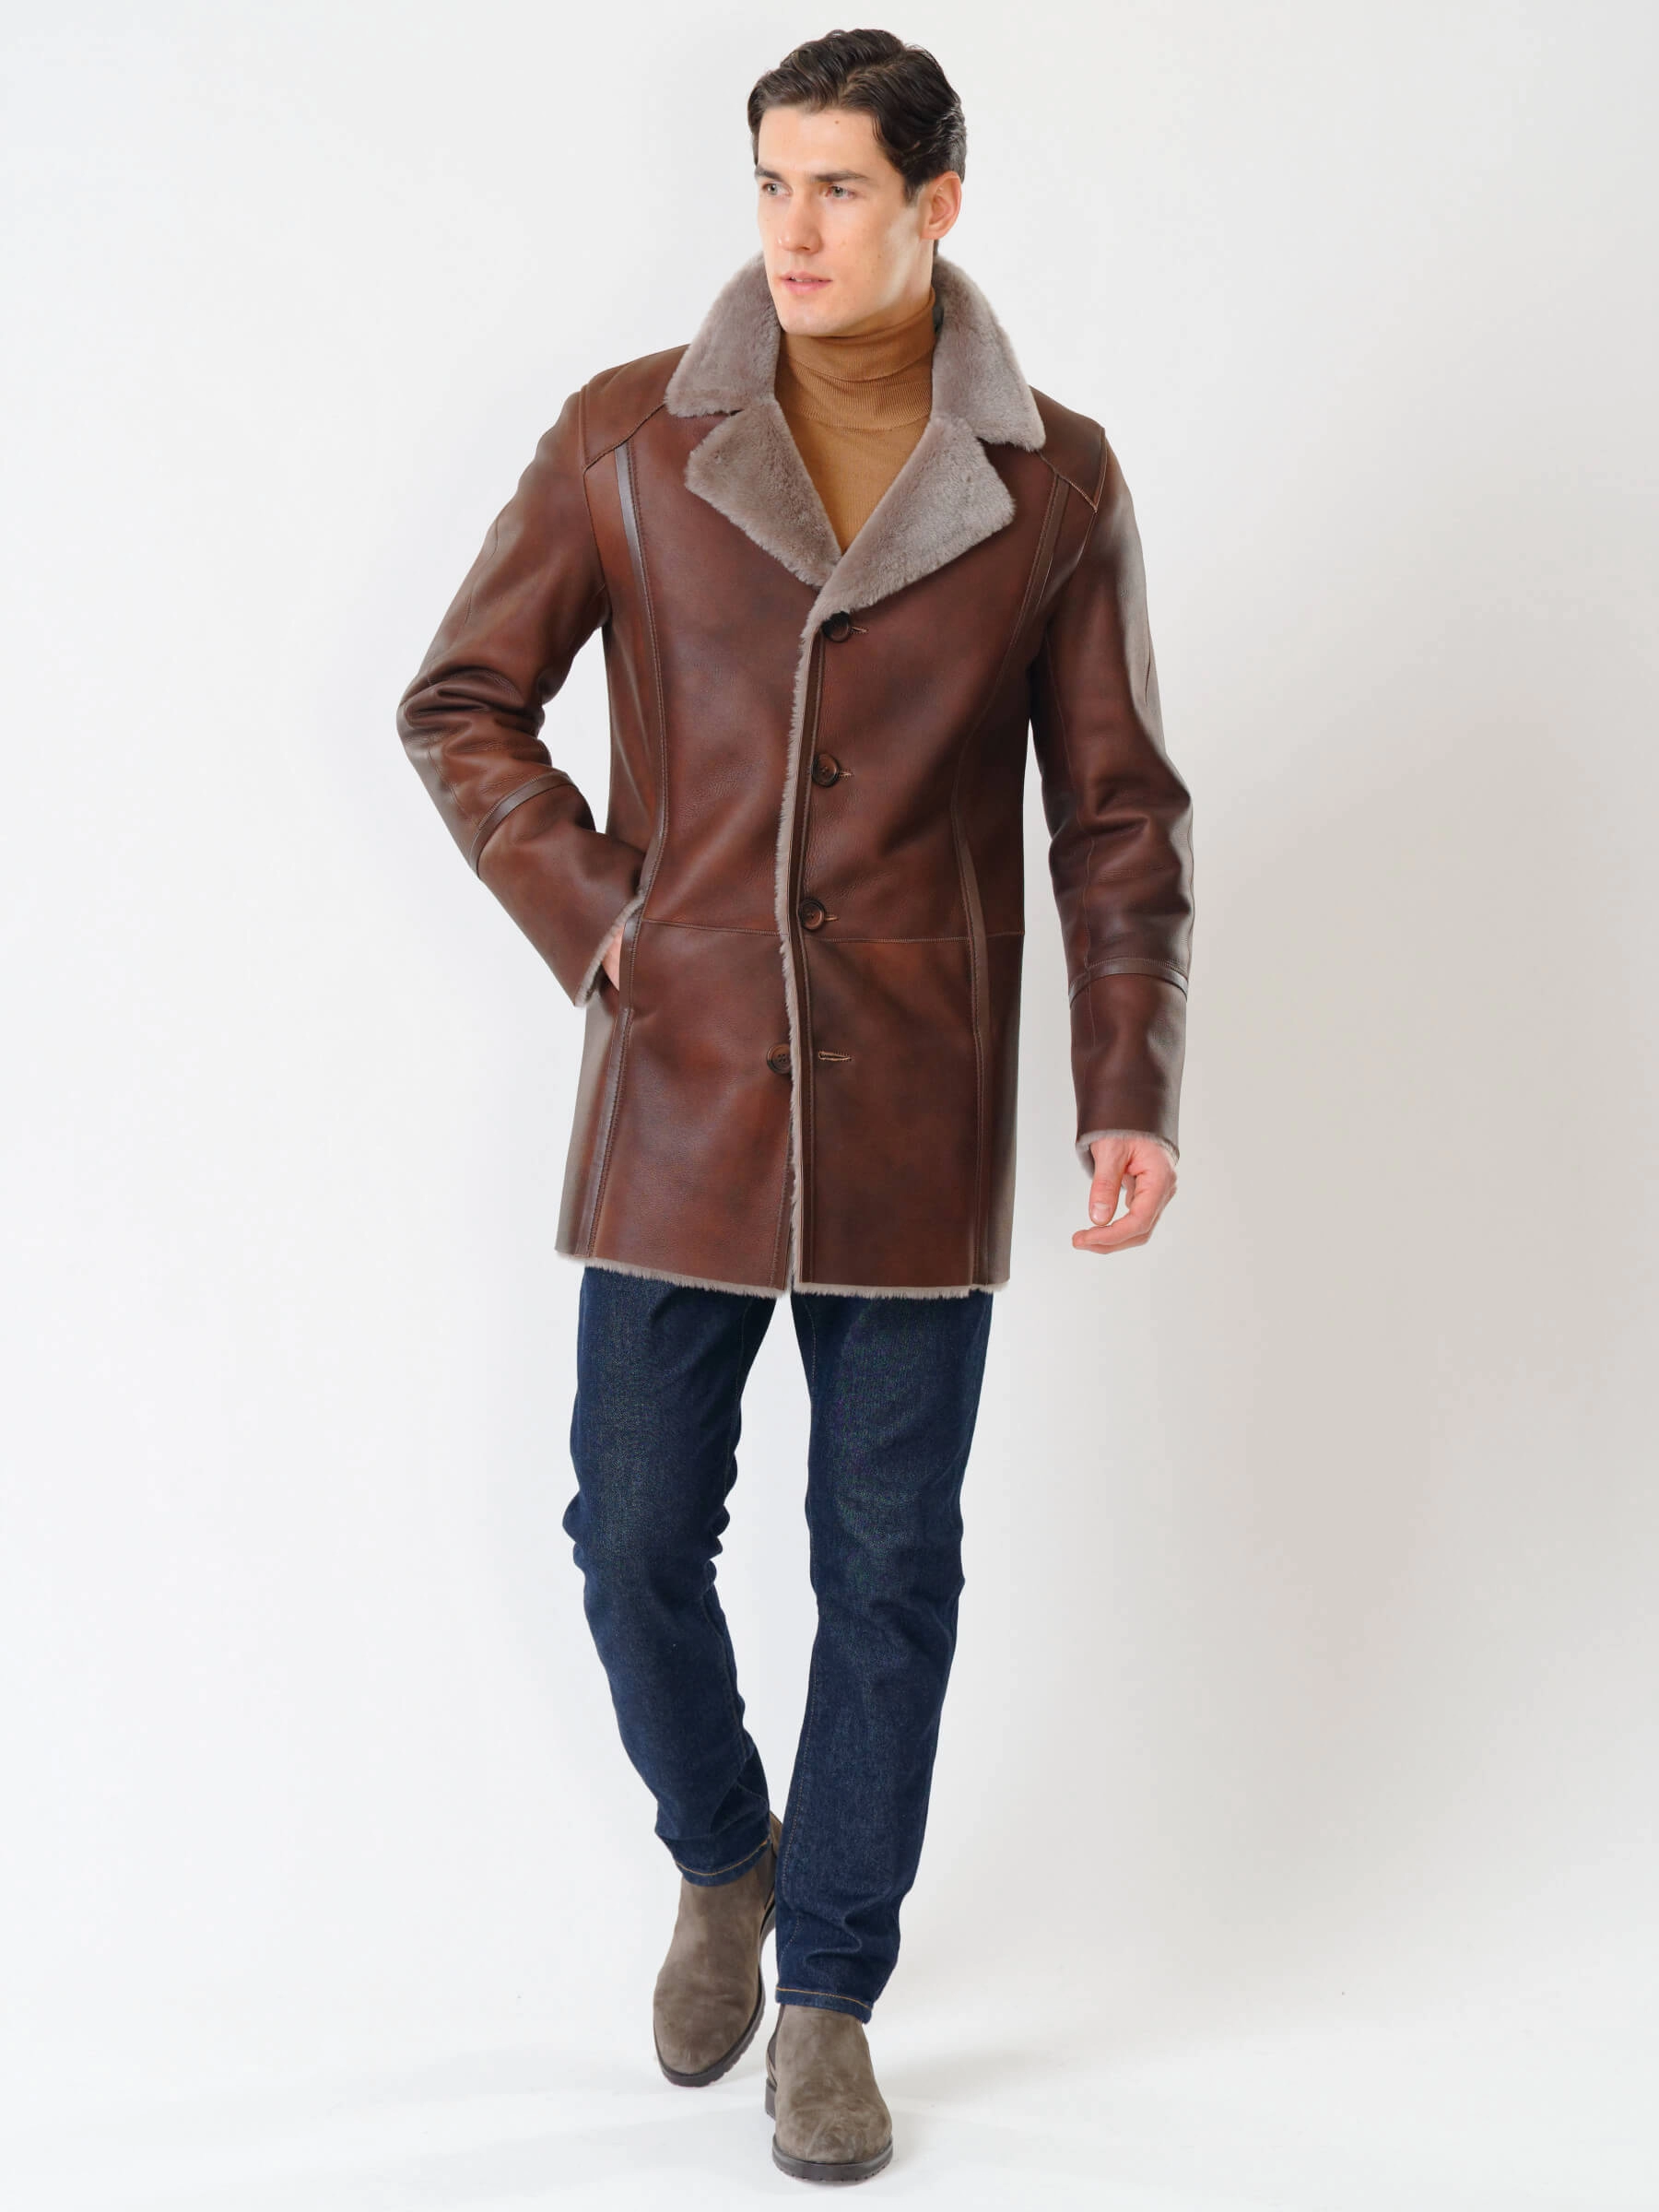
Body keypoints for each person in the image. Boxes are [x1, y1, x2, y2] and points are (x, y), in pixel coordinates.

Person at [396, 27, 1193, 2187]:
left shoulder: (1056, 482)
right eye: (770, 184)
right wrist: (610, 928)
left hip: (920, 1102)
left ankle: (830, 1989)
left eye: (839, 187)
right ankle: (723, 1857)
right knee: (634, 1532)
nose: (794, 231)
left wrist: (1126, 1081)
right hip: (676, 1090)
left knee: (889, 1563)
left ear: (938, 203)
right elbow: (462, 703)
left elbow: (1117, 813)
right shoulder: (632, 438)